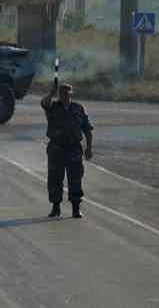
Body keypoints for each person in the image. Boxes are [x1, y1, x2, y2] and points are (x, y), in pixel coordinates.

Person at [41, 83, 94, 219]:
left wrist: (89, 147)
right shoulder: (52, 106)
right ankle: (55, 207)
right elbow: (44, 103)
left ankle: (76, 208)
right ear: (59, 95)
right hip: (56, 148)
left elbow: (87, 129)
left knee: (75, 178)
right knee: (55, 178)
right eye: (63, 94)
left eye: (68, 94)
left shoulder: (79, 108)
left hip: (73, 148)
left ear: (71, 95)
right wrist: (51, 93)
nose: (65, 97)